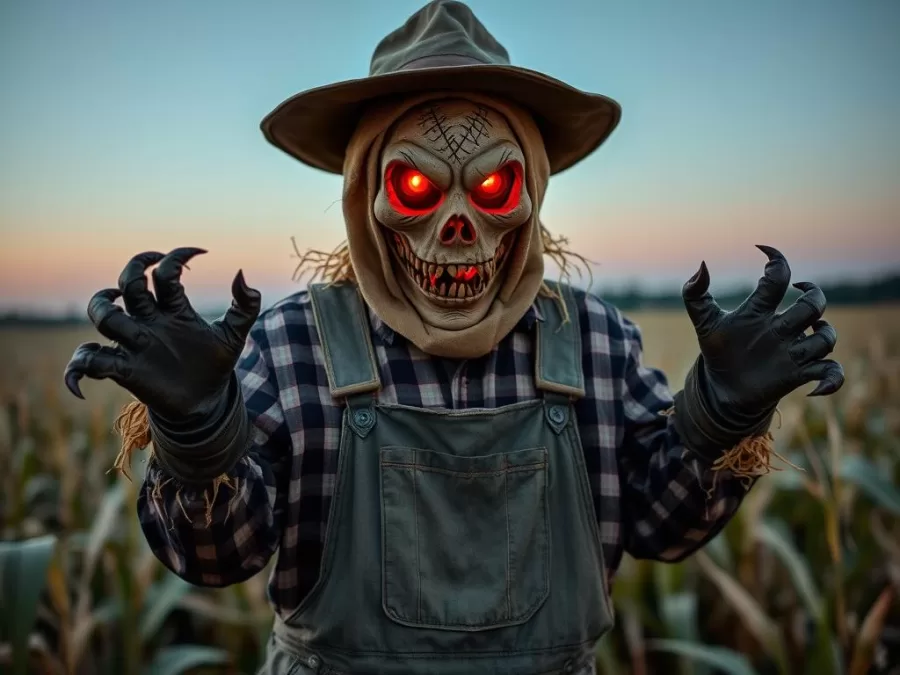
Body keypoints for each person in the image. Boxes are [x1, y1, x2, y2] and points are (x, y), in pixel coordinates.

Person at [63, 2, 844, 673]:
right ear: (365, 194)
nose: (459, 225)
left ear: (532, 193)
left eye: (495, 186)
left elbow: (660, 524)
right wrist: (198, 434)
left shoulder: (595, 341)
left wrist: (719, 416)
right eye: (416, 187)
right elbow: (219, 557)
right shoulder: (296, 344)